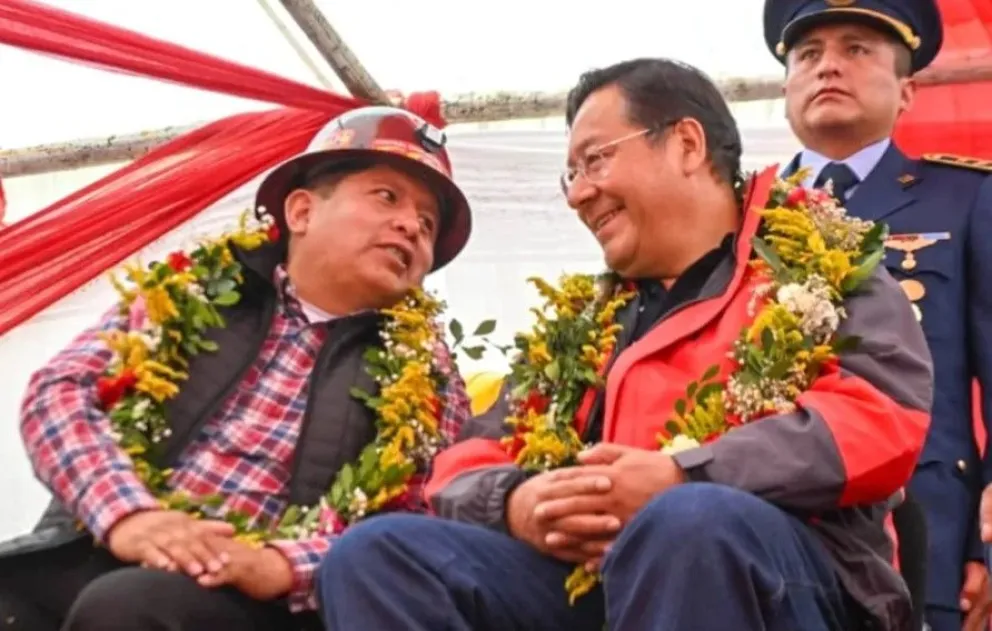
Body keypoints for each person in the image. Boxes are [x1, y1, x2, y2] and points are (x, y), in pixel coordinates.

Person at [315, 58, 933, 631]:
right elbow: (463, 462)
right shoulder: (584, 324)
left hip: (780, 574)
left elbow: (880, 420)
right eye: (572, 174)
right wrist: (517, 502)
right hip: (592, 580)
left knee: (686, 525)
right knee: (377, 555)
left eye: (596, 160)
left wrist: (681, 476)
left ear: (687, 145)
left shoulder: (819, 270)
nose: (580, 193)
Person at [0, 105, 473, 631]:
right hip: (106, 536)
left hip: (257, 601)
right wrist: (129, 515)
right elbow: (59, 393)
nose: (410, 225)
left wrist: (280, 566)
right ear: (301, 212)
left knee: (128, 607)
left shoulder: (428, 378)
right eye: (386, 197)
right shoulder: (189, 290)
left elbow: (414, 525)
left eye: (428, 224)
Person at [765, 0, 992, 628]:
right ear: (787, 87)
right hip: (764, 524)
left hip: (924, 529)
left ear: (907, 91)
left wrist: (989, 549)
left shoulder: (967, 198)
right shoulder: (743, 215)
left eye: (856, 50)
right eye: (809, 55)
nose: (828, 67)